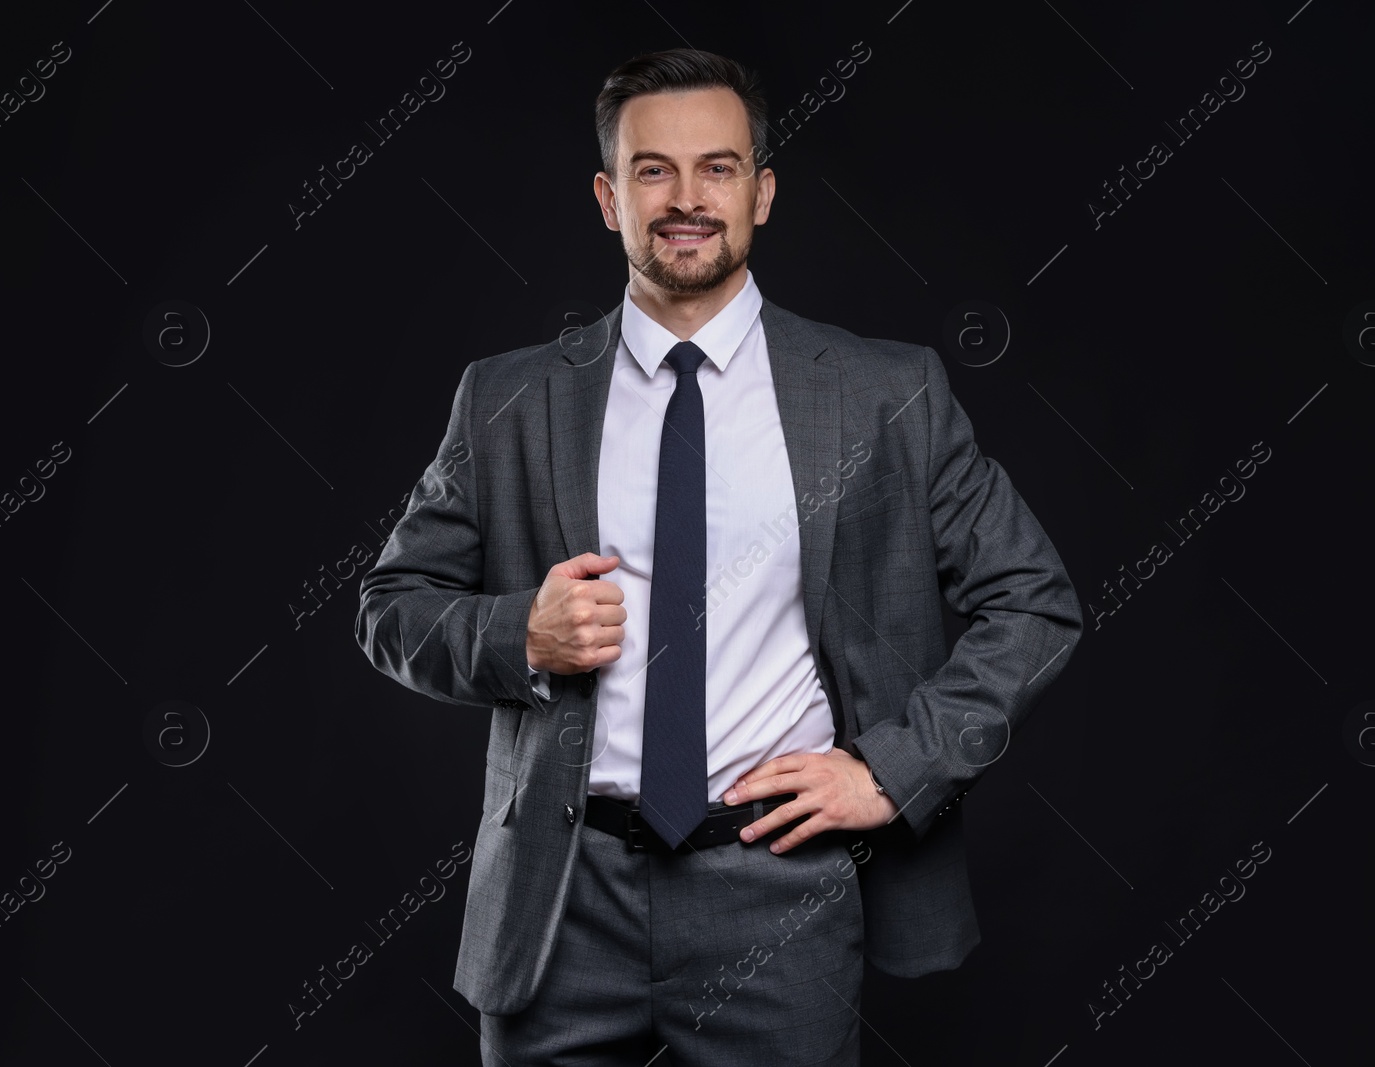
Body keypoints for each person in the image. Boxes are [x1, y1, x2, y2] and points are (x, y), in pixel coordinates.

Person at [355, 46, 1081, 1067]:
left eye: (719, 167)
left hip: (779, 890)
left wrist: (892, 767)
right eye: (653, 169)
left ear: (762, 190)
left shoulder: (885, 393)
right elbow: (391, 607)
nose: (686, 198)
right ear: (609, 197)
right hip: (562, 897)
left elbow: (1033, 600)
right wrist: (516, 630)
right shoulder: (508, 397)